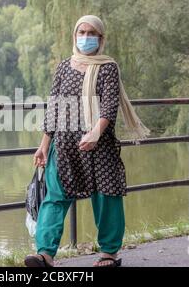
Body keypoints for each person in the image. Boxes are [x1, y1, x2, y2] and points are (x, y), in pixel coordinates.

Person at [24, 15, 150, 267]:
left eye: (91, 33)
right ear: (74, 35)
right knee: (55, 197)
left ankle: (108, 254)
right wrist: (44, 144)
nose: (85, 37)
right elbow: (54, 108)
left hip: (99, 145)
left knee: (106, 197)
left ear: (101, 39)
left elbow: (110, 104)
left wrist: (95, 132)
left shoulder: (107, 67)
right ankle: (45, 254)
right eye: (81, 32)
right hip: (65, 146)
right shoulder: (63, 66)